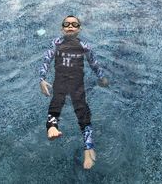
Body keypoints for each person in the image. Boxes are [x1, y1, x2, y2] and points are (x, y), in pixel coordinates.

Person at [39, 15, 109, 169]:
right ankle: (52, 127)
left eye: (74, 24)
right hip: (60, 81)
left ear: (79, 28)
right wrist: (42, 79)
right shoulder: (56, 44)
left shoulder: (85, 46)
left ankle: (88, 148)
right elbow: (46, 60)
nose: (70, 26)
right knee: (56, 102)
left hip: (77, 84)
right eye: (66, 23)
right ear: (62, 28)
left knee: (82, 111)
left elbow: (94, 64)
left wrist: (102, 77)